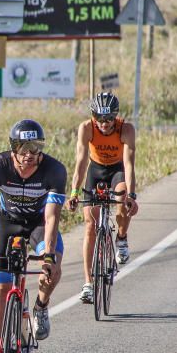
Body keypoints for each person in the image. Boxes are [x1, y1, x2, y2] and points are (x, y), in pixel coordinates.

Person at [0, 119, 67, 353]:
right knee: (0, 290)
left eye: (35, 147)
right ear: (12, 148)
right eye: (23, 147)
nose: (29, 154)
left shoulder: (54, 170)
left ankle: (40, 306)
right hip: (8, 222)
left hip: (38, 223)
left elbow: (51, 219)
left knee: (54, 265)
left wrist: (48, 256)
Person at [67, 91, 138, 304]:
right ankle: (88, 283)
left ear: (115, 116)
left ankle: (122, 238)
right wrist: (74, 192)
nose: (104, 123)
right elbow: (81, 163)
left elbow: (129, 165)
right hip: (95, 170)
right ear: (93, 116)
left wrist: (132, 197)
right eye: (99, 118)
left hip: (116, 170)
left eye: (109, 118)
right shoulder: (86, 128)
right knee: (90, 225)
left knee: (121, 198)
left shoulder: (126, 129)